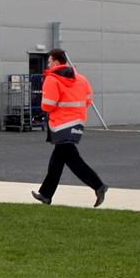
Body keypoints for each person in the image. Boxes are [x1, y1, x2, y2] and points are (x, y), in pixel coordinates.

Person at [31, 49, 109, 207]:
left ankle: (99, 186)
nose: (48, 64)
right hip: (77, 123)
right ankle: (46, 194)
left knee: (72, 159)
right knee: (58, 159)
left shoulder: (52, 79)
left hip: (60, 124)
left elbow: (47, 106)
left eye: (49, 61)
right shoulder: (82, 79)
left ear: (56, 62)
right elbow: (88, 100)